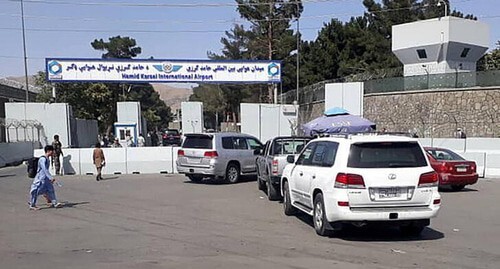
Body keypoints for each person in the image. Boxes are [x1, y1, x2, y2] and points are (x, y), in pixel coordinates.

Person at [29, 145, 62, 210]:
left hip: (46, 178)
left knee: (51, 190)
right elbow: (44, 169)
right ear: (49, 151)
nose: (53, 153)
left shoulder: (47, 159)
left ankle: (55, 203)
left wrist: (49, 178)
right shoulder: (42, 159)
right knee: (36, 191)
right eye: (52, 151)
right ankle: (32, 204)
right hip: (40, 178)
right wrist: (50, 177)